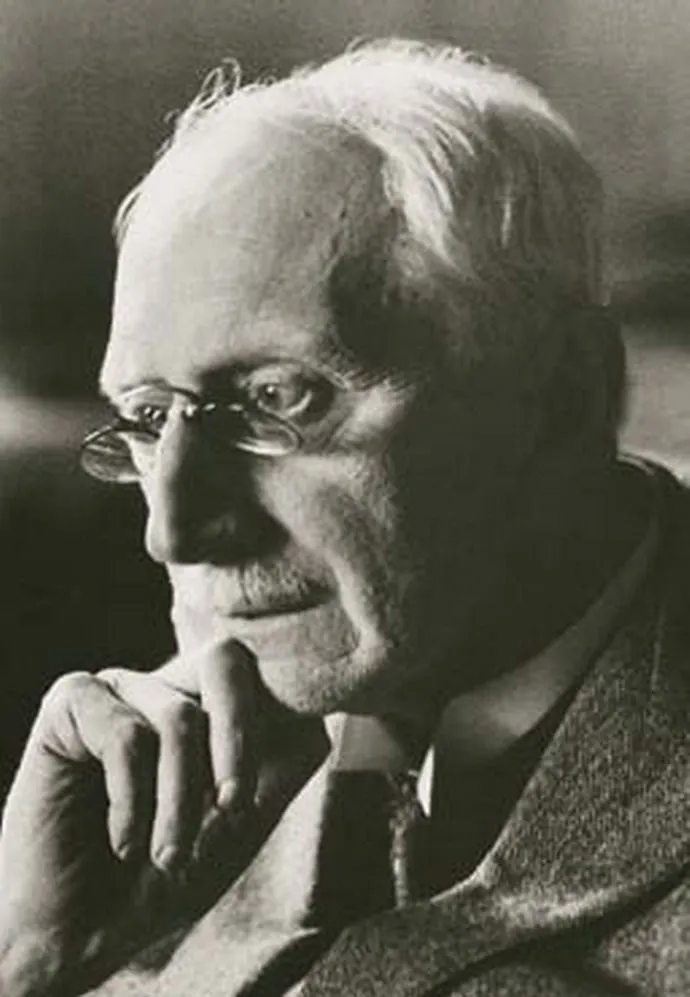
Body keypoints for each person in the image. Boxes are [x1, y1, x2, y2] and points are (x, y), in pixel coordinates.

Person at [0, 38, 688, 997]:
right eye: (149, 417)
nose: (174, 531)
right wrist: (30, 963)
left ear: (561, 400)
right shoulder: (144, 809)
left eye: (277, 397)